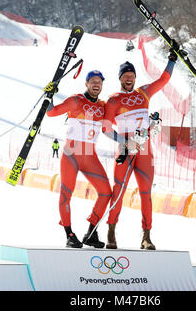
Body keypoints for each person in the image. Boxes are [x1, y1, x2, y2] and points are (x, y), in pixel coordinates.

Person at [102, 49, 177, 250]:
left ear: (135, 77)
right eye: (125, 76)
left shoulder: (144, 92)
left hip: (144, 151)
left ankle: (146, 237)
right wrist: (124, 142)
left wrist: (172, 60)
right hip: (125, 152)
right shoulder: (113, 100)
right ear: (120, 78)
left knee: (146, 193)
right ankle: (111, 232)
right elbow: (105, 128)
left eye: (131, 76)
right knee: (118, 192)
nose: (129, 79)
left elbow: (163, 80)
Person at [45, 70, 112, 249]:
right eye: (93, 81)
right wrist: (49, 96)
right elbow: (51, 113)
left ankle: (91, 233)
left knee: (106, 193)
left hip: (90, 156)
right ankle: (69, 234)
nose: (96, 84)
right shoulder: (76, 100)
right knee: (66, 194)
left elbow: (110, 128)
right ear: (86, 83)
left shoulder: (103, 106)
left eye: (99, 81)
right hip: (71, 155)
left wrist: (133, 138)